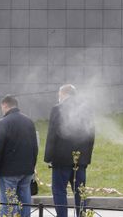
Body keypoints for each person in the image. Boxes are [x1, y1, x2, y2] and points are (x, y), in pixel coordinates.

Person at [44, 84, 95, 217]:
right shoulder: (86, 110)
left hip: (61, 159)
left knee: (59, 191)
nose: (58, 97)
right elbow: (91, 135)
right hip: (80, 160)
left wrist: (48, 157)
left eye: (59, 95)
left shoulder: (58, 109)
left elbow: (52, 134)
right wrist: (86, 158)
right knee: (80, 191)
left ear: (64, 94)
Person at [0, 95, 38, 217]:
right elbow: (34, 147)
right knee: (25, 203)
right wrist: (32, 166)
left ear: (5, 105)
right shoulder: (29, 122)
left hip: (8, 172)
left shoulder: (2, 123)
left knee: (8, 205)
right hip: (26, 171)